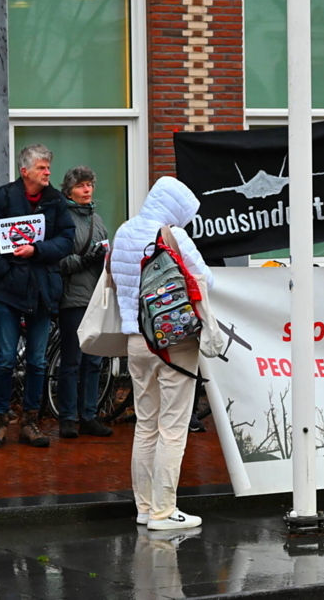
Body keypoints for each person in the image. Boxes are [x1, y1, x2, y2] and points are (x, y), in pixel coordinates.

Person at [109, 176, 213, 531]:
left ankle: (144, 507)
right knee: (173, 428)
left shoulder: (123, 231)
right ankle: (164, 511)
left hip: (136, 341)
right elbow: (205, 281)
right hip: (174, 342)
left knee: (146, 425)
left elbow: (114, 279)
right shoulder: (173, 235)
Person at [0, 144, 75, 448]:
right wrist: (4, 268)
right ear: (25, 171)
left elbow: (67, 239)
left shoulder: (56, 201)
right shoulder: (1, 198)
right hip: (8, 291)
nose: (48, 172)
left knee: (38, 361)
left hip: (43, 291)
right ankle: (0, 420)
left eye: (48, 167)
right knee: (5, 359)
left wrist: (37, 250)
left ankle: (31, 421)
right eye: (42, 167)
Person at [56, 166, 113, 439]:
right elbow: (57, 260)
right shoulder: (61, 219)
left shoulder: (97, 220)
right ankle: (67, 418)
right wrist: (85, 259)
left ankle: (89, 415)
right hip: (73, 299)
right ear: (69, 191)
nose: (87, 189)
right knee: (72, 361)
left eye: (89, 184)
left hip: (97, 297)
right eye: (81, 185)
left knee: (94, 360)